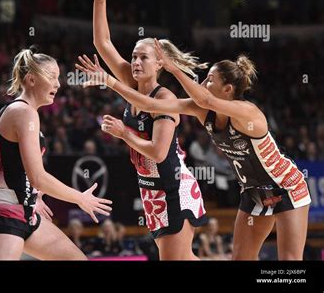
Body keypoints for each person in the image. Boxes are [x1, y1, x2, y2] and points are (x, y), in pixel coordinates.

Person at [79, 38, 311, 260]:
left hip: (287, 186)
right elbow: (149, 104)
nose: (202, 84)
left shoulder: (247, 112)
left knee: (289, 260)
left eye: (209, 80)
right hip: (253, 192)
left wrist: (174, 69)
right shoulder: (201, 111)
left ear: (227, 89)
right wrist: (109, 81)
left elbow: (207, 100)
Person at [80, 0, 208, 260]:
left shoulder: (164, 98)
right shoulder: (130, 81)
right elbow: (103, 42)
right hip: (150, 188)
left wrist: (124, 133)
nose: (135, 62)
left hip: (172, 185)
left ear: (159, 64)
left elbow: (159, 153)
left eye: (143, 58)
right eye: (134, 57)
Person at [0, 48, 112, 260]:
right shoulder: (24, 112)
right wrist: (80, 198)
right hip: (6, 214)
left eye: (59, 77)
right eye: (52, 77)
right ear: (31, 79)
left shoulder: (18, 111)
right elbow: (38, 177)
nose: (58, 84)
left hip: (25, 211)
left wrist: (33, 194)